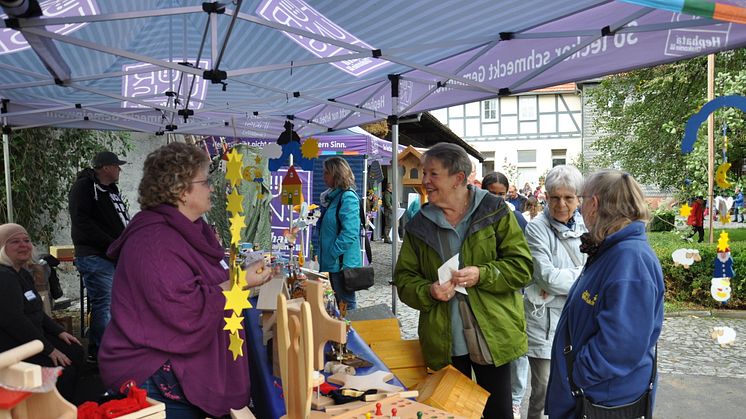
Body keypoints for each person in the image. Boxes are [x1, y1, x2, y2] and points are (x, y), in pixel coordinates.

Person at [99, 142, 271, 418]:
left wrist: (239, 279)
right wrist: (239, 282)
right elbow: (184, 311)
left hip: (178, 368)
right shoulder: (154, 241)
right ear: (180, 190)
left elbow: (206, 287)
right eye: (205, 182)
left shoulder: (189, 231)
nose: (212, 188)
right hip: (153, 373)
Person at [395, 143, 533, 419]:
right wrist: (429, 291)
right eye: (424, 173)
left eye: (433, 174)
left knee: (498, 414)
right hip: (444, 339)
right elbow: (404, 280)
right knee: (450, 414)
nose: (425, 181)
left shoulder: (494, 211)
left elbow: (523, 267)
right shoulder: (419, 223)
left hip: (492, 335)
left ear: (458, 178)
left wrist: (483, 274)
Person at [546, 170, 664, 419]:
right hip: (594, 395)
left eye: (581, 198)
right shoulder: (613, 250)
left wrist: (578, 374)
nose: (578, 207)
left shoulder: (630, 260)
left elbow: (621, 346)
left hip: (603, 400)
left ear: (594, 203)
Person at [522, 165, 587, 419]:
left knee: (576, 386)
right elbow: (547, 278)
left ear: (578, 199)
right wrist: (585, 275)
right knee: (543, 390)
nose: (561, 204)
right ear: (546, 197)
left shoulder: (586, 224)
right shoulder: (536, 229)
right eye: (555, 197)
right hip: (543, 323)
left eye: (568, 197)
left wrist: (574, 277)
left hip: (577, 320)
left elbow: (598, 271)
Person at [0, 223, 84, 403]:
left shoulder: (21, 272)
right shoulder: (4, 277)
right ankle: (55, 410)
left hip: (33, 337)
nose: (24, 245)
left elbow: (37, 310)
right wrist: (49, 349)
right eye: (15, 241)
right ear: (1, 248)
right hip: (14, 347)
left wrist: (60, 332)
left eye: (26, 240)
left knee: (75, 350)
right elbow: (15, 322)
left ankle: (71, 407)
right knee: (64, 371)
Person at [68, 150, 130, 362]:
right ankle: (100, 351)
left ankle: (112, 347)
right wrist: (111, 243)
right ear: (106, 167)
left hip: (113, 255)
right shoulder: (84, 187)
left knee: (114, 302)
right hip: (96, 255)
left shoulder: (110, 189)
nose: (119, 169)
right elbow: (82, 222)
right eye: (116, 166)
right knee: (105, 301)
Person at [481, 171, 530, 419]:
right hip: (485, 294)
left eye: (501, 194)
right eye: (492, 194)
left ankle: (515, 399)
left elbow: (524, 259)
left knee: (518, 351)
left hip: (512, 292)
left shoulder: (517, 218)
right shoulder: (476, 218)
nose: (497, 199)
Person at [318, 156, 362, 310]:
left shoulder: (347, 197)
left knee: (347, 305)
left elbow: (350, 232)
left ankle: (350, 334)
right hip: (335, 262)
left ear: (336, 175)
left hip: (342, 263)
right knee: (340, 303)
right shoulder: (333, 197)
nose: (323, 176)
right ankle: (344, 332)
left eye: (326, 173)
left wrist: (333, 252)